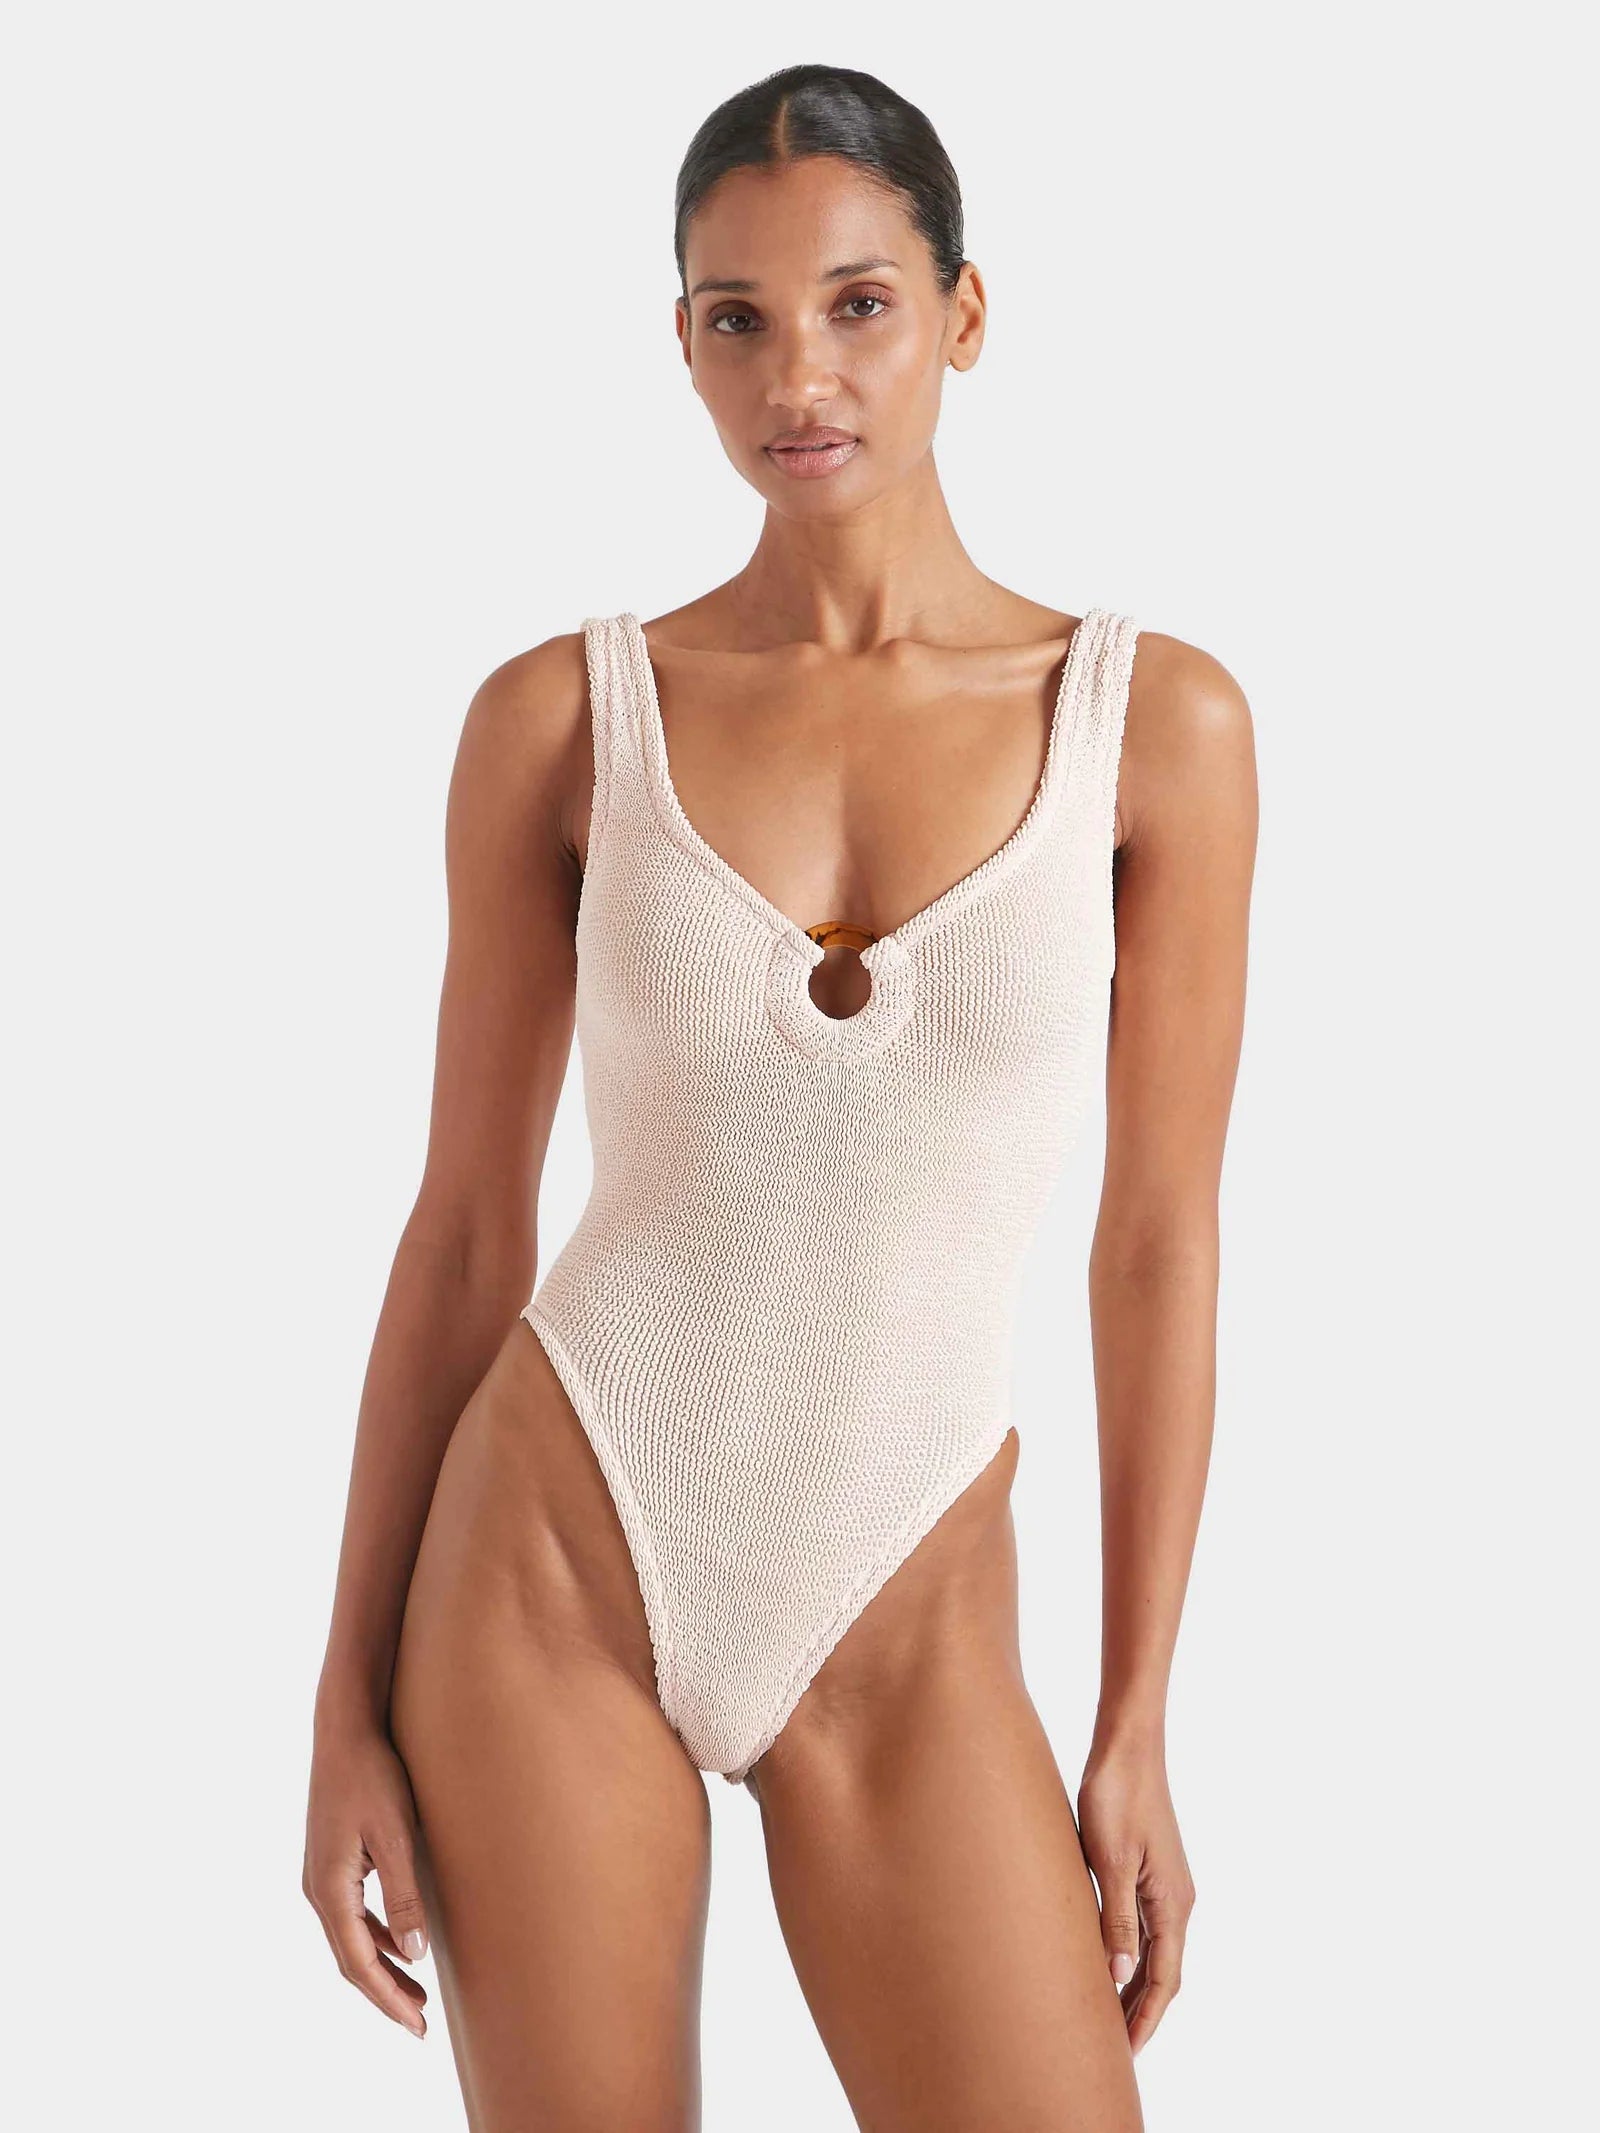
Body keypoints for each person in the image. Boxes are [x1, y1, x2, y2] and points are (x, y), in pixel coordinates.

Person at [303, 60, 1257, 2133]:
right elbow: (463, 1227)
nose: (795, 375)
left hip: (909, 1617)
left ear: (963, 315)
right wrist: (339, 1697)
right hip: (550, 1571)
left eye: (857, 304)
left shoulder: (1149, 725)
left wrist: (1134, 1715)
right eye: (735, 317)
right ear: (682, 341)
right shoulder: (563, 720)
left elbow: (1160, 1242)